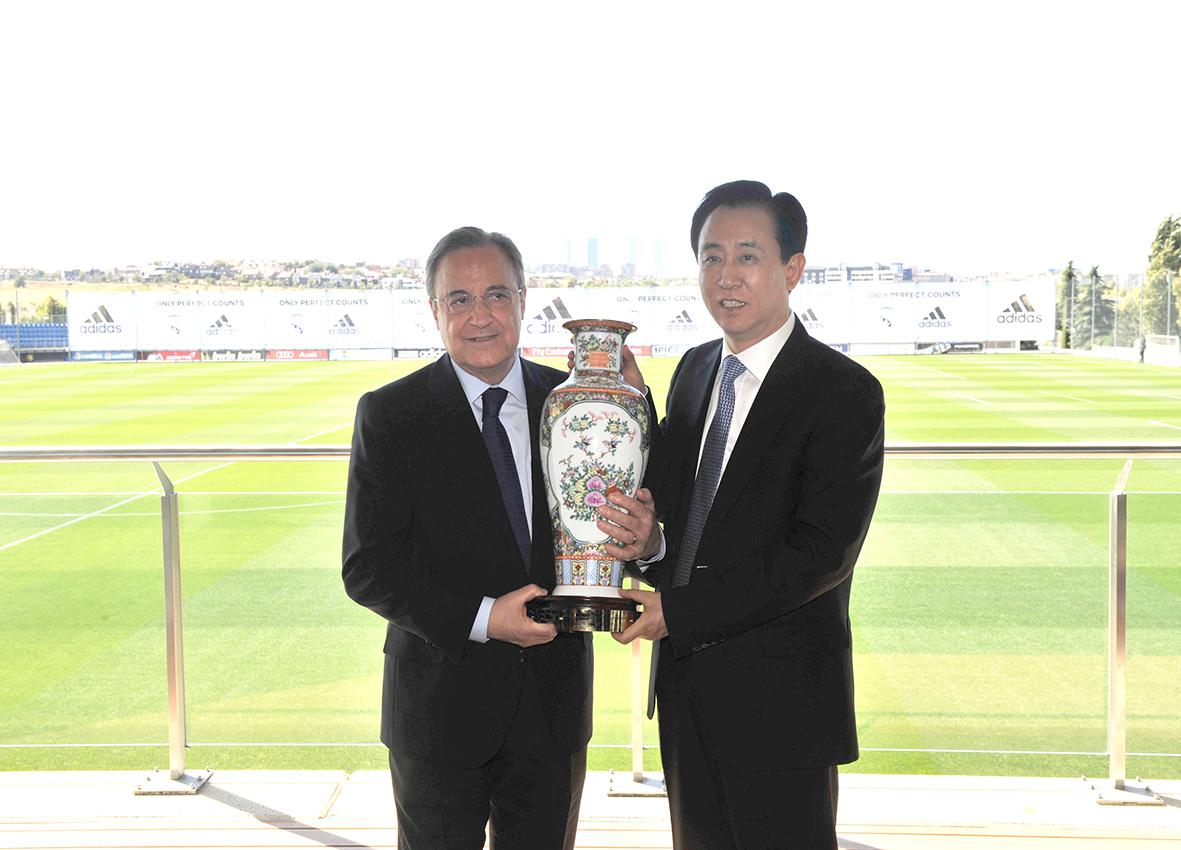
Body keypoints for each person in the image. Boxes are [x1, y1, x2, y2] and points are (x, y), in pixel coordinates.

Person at [603, 181, 886, 849]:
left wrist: (677, 613)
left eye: (747, 256)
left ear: (792, 269)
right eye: (711, 257)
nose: (726, 276)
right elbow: (677, 513)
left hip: (783, 708)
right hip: (686, 695)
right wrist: (647, 542)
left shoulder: (843, 392)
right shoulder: (695, 370)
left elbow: (819, 554)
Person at [343, 226, 607, 850]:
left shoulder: (578, 406)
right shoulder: (390, 414)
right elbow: (368, 568)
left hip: (552, 709)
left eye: (496, 295)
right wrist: (487, 618)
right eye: (459, 299)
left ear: (523, 300)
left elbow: (612, 530)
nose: (479, 315)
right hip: (437, 713)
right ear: (434, 310)